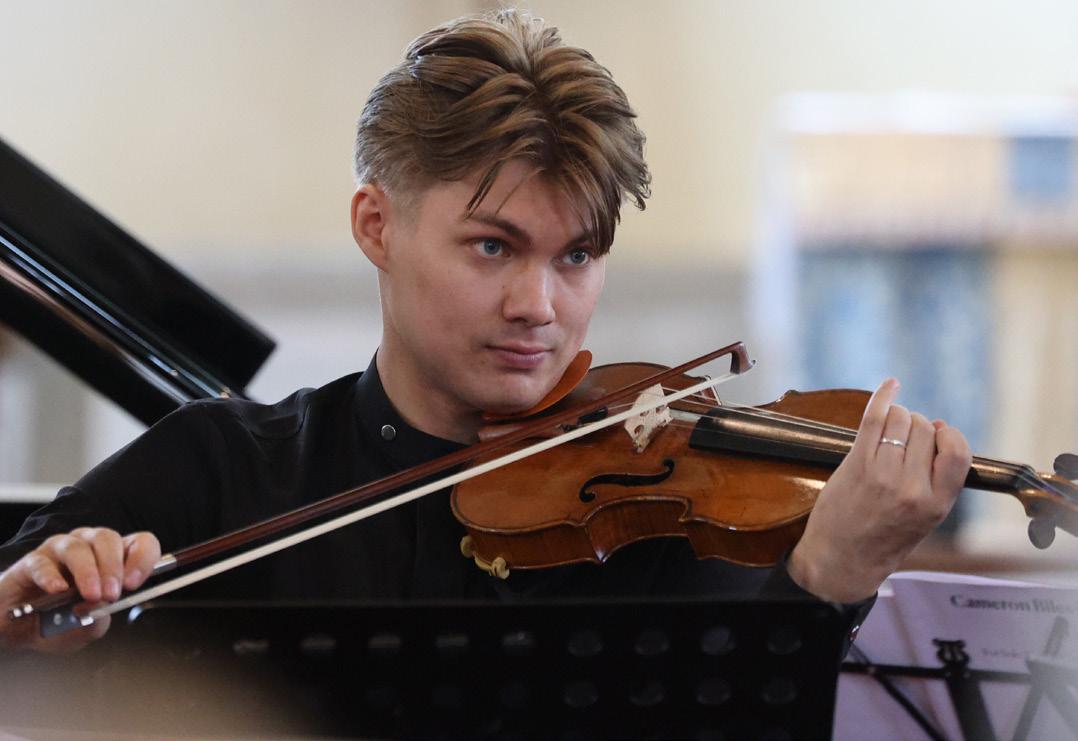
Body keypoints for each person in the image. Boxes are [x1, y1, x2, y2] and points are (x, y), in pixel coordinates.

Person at [0, 9, 971, 654]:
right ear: (376, 226)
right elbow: (19, 600)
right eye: (494, 247)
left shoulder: (662, 523)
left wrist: (828, 579)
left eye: (576, 255)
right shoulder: (222, 470)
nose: (539, 306)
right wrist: (33, 607)